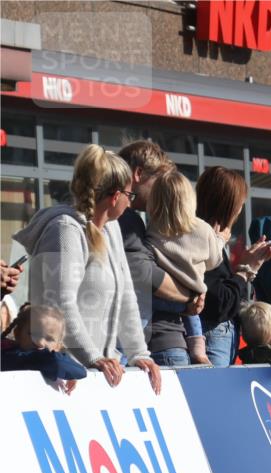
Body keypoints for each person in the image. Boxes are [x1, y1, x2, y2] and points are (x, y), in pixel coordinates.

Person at [12, 144, 161, 393]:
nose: (130, 202)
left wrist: (138, 353)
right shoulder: (65, 230)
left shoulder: (111, 228)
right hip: (59, 374)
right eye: (129, 195)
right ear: (115, 197)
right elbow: (61, 305)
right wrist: (91, 357)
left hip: (95, 369)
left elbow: (125, 295)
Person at [195, 166, 271, 367]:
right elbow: (219, 301)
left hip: (217, 339)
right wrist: (246, 270)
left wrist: (247, 266)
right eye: (240, 203)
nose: (240, 209)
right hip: (212, 339)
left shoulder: (212, 239)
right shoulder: (203, 239)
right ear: (230, 205)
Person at [116, 140, 197, 340]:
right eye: (159, 181)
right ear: (138, 174)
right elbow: (144, 273)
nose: (162, 190)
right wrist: (189, 297)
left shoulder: (122, 216)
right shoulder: (125, 218)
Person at [145, 170, 225, 365]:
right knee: (193, 313)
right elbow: (215, 260)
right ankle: (198, 347)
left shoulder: (153, 230)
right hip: (196, 292)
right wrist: (220, 241)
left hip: (164, 299)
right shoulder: (203, 228)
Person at [2, 304, 87, 391]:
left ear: (58, 346)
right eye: (33, 334)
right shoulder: (12, 357)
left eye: (49, 338)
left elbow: (81, 372)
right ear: (18, 334)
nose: (40, 343)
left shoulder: (45, 360)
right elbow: (61, 364)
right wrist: (69, 372)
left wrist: (70, 373)